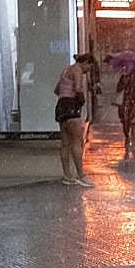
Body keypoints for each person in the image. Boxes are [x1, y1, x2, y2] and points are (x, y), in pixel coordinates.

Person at [54, 53, 95, 187]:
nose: (88, 70)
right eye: (89, 67)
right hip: (71, 106)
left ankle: (67, 176)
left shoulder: (67, 69)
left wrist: (66, 94)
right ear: (86, 62)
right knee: (77, 142)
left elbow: (56, 90)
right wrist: (81, 98)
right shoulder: (77, 69)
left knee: (65, 143)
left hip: (61, 106)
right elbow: (78, 88)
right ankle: (81, 176)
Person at [117, 69, 135, 159]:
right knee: (125, 124)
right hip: (124, 104)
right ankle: (128, 139)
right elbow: (118, 88)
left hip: (134, 104)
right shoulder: (123, 77)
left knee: (134, 124)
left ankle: (133, 143)